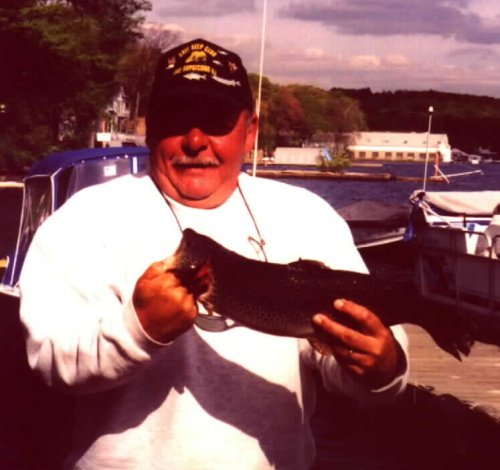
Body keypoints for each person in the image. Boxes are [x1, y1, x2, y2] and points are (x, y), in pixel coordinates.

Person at [19, 38, 409, 469]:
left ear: (251, 130)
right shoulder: (86, 218)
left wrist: (384, 365)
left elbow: (346, 371)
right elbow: (52, 362)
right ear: (150, 126)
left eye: (217, 121)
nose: (195, 139)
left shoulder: (307, 216)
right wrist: (138, 329)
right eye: (177, 118)